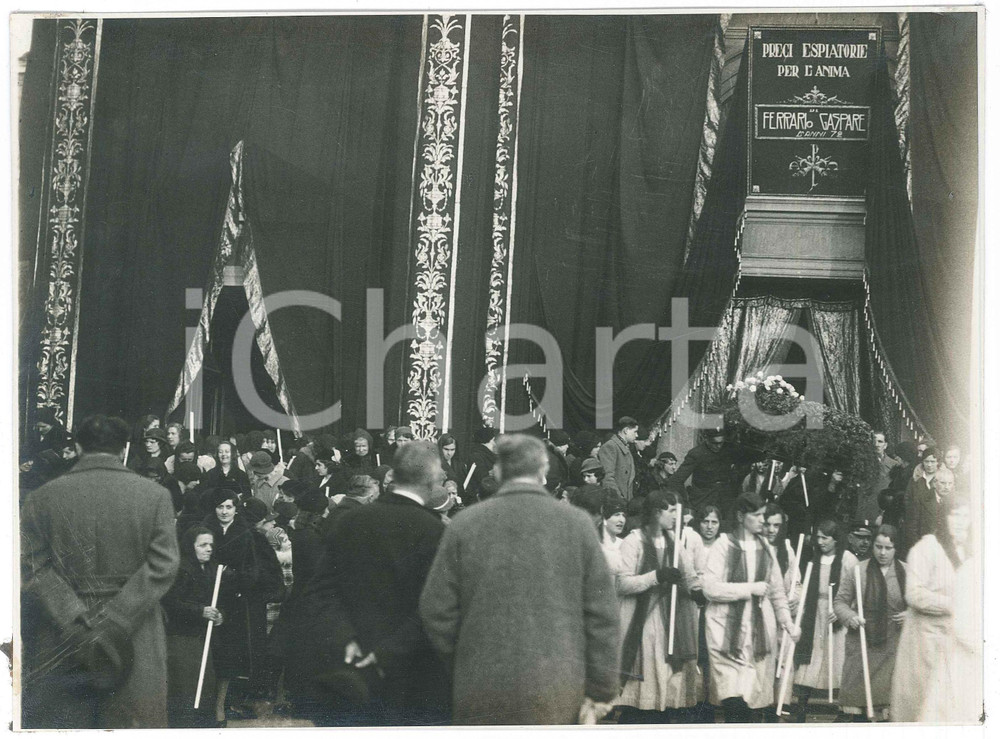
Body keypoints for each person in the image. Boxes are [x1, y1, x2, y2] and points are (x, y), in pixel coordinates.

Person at [420, 434, 620, 725]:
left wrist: (466, 658)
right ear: (543, 471)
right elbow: (602, 614)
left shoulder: (464, 524)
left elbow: (436, 609)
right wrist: (601, 688)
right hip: (557, 685)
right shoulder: (576, 524)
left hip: (480, 683)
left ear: (498, 471)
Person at [21, 415, 180, 728]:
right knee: (132, 722)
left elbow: (31, 566)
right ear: (122, 450)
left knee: (63, 723)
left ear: (78, 447)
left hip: (63, 633)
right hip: (135, 633)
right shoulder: (155, 496)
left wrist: (74, 614)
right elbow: (164, 564)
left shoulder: (40, 498)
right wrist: (117, 616)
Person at [304, 441, 450, 725]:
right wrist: (385, 653)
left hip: (347, 671)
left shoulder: (349, 520)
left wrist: (345, 636)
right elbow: (436, 608)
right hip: (409, 679)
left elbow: (319, 590)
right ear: (432, 482)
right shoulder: (434, 531)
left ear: (392, 476)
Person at [702, 492, 799, 723]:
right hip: (724, 629)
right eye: (756, 515)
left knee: (750, 700)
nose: (761, 521)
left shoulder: (766, 547)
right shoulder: (723, 545)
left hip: (757, 633)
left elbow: (776, 592)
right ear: (740, 516)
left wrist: (788, 622)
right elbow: (710, 588)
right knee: (733, 699)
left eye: (763, 516)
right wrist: (750, 589)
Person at [614, 491, 701, 723]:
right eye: (671, 511)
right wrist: (656, 576)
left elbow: (689, 576)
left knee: (665, 694)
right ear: (655, 513)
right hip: (644, 623)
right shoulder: (634, 541)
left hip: (672, 621)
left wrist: (697, 591)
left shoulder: (674, 541)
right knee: (644, 695)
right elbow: (622, 583)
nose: (676, 516)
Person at [202, 488, 285, 722]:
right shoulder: (206, 529)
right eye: (220, 507)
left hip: (242, 600)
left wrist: (239, 578)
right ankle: (214, 700)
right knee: (217, 649)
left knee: (240, 649)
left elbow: (258, 568)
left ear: (236, 509)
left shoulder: (248, 534)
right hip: (213, 595)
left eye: (229, 507)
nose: (224, 511)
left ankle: (237, 699)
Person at [891, 495, 974, 722]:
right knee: (921, 702)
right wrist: (956, 605)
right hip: (924, 639)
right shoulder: (927, 548)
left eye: (965, 516)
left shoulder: (969, 553)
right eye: (954, 515)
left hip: (953, 639)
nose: (959, 521)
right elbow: (914, 593)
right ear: (943, 517)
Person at [834, 524, 906, 722]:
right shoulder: (859, 570)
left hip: (892, 646)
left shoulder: (906, 572)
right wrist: (851, 617)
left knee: (885, 709)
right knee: (858, 711)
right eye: (878, 546)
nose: (882, 553)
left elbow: (917, 604)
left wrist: (909, 615)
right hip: (862, 644)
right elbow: (840, 602)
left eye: (888, 548)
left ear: (896, 548)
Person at [790, 518, 858, 722]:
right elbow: (803, 584)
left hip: (836, 613)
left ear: (836, 539)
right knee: (810, 659)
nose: (820, 542)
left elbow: (856, 593)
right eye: (818, 537)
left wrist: (842, 610)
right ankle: (801, 707)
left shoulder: (847, 559)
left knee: (837, 660)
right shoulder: (813, 560)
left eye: (825, 538)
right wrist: (798, 600)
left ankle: (842, 710)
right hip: (814, 614)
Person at [161, 526, 229, 727]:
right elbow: (171, 602)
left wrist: (219, 616)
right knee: (185, 687)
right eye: (203, 545)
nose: (209, 549)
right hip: (181, 637)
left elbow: (220, 601)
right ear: (191, 547)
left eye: (210, 544)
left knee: (206, 684)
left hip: (203, 638)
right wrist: (200, 611)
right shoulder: (180, 570)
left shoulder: (211, 569)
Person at [667, 428, 745, 517]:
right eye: (714, 443)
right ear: (706, 439)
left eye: (721, 443)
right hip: (703, 501)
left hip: (725, 502)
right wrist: (687, 503)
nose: (718, 446)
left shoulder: (728, 449)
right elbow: (675, 481)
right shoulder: (696, 454)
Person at [904, 458, 952, 556]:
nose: (947, 487)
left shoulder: (955, 503)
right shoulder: (921, 499)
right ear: (934, 483)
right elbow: (912, 529)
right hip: (926, 552)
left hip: (947, 553)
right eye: (943, 483)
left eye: (950, 483)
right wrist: (921, 551)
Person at [856, 432, 902, 524]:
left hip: (884, 510)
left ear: (885, 445)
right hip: (866, 509)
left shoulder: (894, 465)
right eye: (874, 441)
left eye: (880, 441)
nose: (876, 445)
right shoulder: (862, 463)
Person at [598, 416, 639, 501]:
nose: (637, 435)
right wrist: (619, 500)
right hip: (616, 501)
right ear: (626, 430)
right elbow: (607, 478)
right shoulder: (610, 447)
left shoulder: (625, 447)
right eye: (635, 432)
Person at [465, 427, 498, 502]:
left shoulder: (488, 455)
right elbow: (481, 478)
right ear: (486, 441)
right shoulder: (476, 456)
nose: (494, 443)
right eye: (493, 440)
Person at [600, 494, 627, 569]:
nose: (621, 520)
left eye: (623, 515)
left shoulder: (625, 544)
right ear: (605, 518)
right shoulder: (596, 545)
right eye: (617, 515)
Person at [544, 429, 572, 494]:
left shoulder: (551, 455)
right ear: (559, 446)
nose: (567, 446)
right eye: (565, 444)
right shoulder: (553, 459)